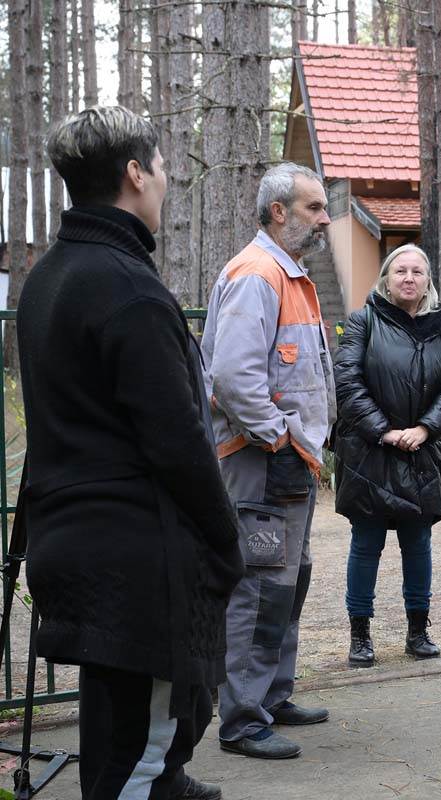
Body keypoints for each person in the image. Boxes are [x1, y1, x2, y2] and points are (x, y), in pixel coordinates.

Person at [16, 106, 240, 800]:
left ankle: (168, 781)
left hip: (76, 545)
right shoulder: (129, 289)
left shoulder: (49, 276)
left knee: (124, 733)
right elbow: (178, 444)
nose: (168, 180)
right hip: (136, 561)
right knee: (132, 762)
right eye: (164, 165)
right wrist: (226, 544)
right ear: (135, 174)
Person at [202, 162, 335, 760]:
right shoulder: (258, 275)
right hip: (261, 463)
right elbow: (232, 376)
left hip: (290, 463)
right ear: (279, 211)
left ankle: (272, 695)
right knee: (259, 589)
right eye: (315, 208)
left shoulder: (292, 276)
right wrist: (279, 440)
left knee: (288, 582)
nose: (326, 219)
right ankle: (243, 719)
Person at [333, 244, 441, 668]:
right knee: (366, 543)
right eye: (400, 271)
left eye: (417, 271)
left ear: (428, 280)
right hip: (370, 453)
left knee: (418, 544)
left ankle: (418, 631)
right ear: (386, 278)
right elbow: (348, 382)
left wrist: (425, 428)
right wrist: (385, 431)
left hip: (422, 453)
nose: (408, 278)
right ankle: (360, 635)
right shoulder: (363, 321)